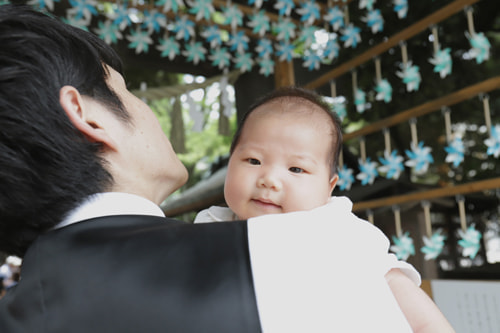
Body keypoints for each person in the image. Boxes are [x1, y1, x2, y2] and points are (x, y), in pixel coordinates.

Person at [0, 4, 454, 332]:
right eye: (128, 91)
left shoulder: (16, 312)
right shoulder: (300, 253)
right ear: (89, 116)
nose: (270, 179)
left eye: (297, 169)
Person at [194, 87, 342, 223]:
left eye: (296, 169)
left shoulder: (338, 229)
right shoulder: (209, 224)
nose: (269, 180)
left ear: (329, 187)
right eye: (254, 161)